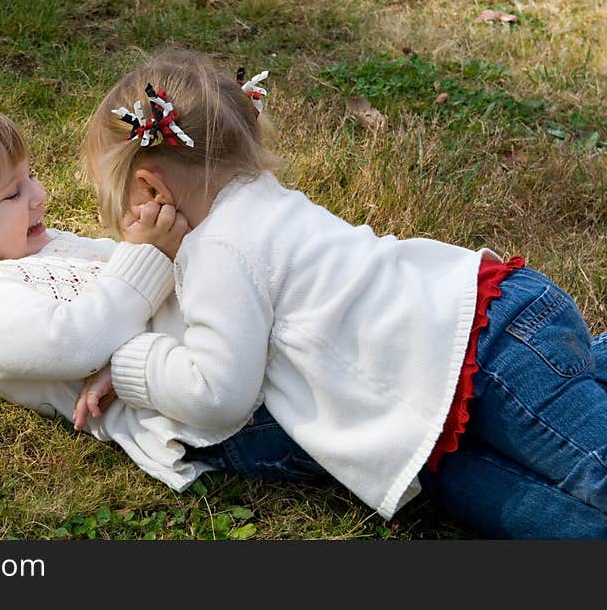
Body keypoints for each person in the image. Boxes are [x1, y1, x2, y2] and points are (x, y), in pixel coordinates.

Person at [76, 47, 607, 538]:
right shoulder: (251, 203)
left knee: (596, 470)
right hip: (449, 374)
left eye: (122, 206)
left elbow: (217, 394)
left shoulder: (218, 249)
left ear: (151, 190)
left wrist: (131, 361)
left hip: (489, 343)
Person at [0, 100, 273, 494]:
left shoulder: (44, 246)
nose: (39, 196)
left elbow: (132, 273)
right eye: (12, 193)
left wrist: (153, 237)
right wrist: (149, 252)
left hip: (230, 345)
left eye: (29, 176)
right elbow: (79, 342)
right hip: (212, 415)